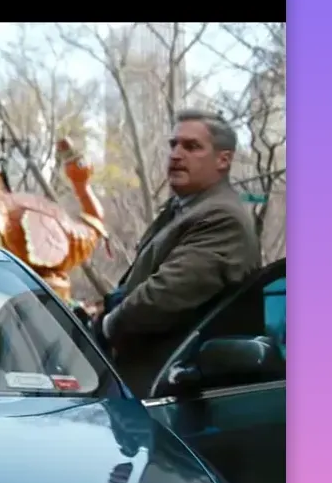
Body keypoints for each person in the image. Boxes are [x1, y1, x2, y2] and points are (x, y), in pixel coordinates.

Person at [96, 110, 261, 396]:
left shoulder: (222, 218)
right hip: (150, 387)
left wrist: (107, 326)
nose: (176, 154)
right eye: (174, 144)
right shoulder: (183, 209)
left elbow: (163, 295)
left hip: (178, 395)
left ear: (224, 159)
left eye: (192, 146)